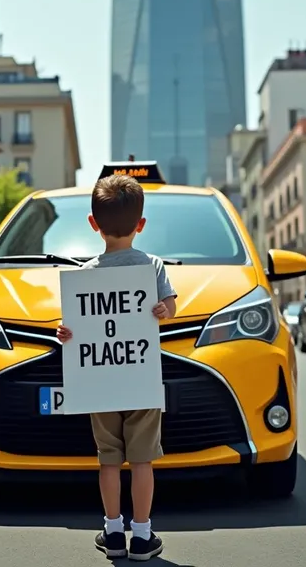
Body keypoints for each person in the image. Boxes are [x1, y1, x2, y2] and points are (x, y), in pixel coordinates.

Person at [57, 173, 177, 561]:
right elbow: (169, 309)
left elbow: (73, 330)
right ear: (140, 225)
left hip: (99, 380)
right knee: (142, 460)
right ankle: (141, 536)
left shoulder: (85, 275)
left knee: (108, 458)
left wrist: (65, 333)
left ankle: (112, 532)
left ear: (93, 225)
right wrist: (163, 309)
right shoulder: (153, 266)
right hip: (140, 377)